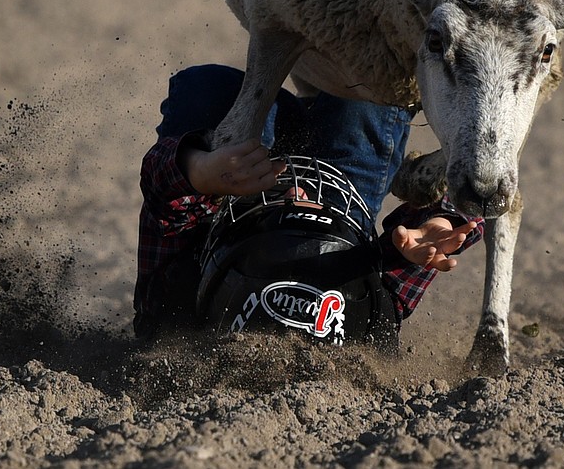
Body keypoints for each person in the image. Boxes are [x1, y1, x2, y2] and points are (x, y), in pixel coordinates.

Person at [134, 64, 483, 342]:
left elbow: (161, 187)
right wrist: (439, 220)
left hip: (235, 182)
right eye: (298, 219)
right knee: (365, 84)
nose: (296, 195)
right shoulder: (368, 317)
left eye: (281, 216)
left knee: (205, 88)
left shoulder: (177, 306)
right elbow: (475, 191)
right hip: (339, 200)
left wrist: (199, 170)